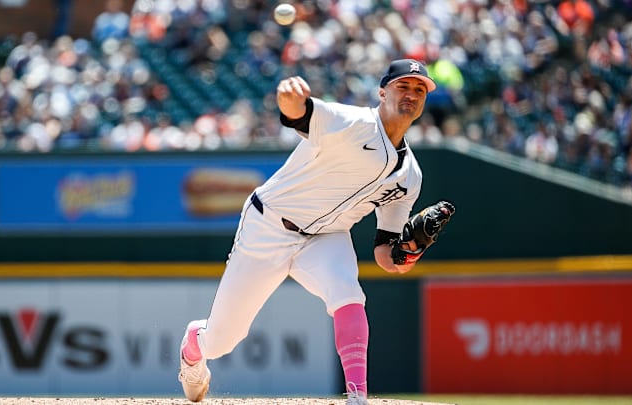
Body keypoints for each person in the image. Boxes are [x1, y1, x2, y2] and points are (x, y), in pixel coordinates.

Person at [177, 59, 438, 404]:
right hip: (270, 225)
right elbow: (299, 113)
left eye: (419, 89)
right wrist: (289, 96)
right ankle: (196, 343)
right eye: (403, 86)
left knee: (348, 295)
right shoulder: (352, 122)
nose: (412, 94)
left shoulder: (411, 177)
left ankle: (358, 396)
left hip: (327, 237)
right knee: (224, 340)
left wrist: (412, 251)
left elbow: (386, 255)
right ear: (382, 92)